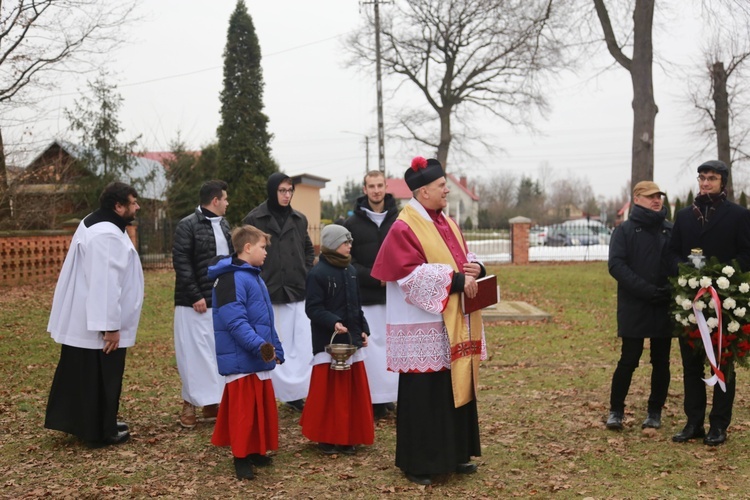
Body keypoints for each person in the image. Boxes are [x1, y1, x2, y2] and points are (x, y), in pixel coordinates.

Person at [371, 157, 486, 486]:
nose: (446, 189)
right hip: (422, 323)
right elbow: (409, 275)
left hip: (452, 322)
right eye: (441, 186)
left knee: (454, 388)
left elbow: (463, 256)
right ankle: (419, 462)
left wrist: (474, 268)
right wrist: (455, 281)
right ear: (423, 192)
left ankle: (456, 454)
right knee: (426, 395)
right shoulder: (404, 226)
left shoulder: (446, 221)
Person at [45, 181, 143, 447]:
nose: (137, 207)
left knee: (85, 375)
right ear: (118, 206)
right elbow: (105, 283)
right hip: (96, 324)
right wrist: (109, 325)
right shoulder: (106, 236)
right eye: (133, 202)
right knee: (101, 377)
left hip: (85, 318)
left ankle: (97, 422)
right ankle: (100, 431)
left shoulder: (96, 222)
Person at [668, 160, 750, 446]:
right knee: (691, 365)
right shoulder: (684, 215)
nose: (705, 183)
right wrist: (686, 273)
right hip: (691, 303)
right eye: (702, 178)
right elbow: (672, 253)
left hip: (724, 303)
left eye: (712, 178)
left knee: (722, 363)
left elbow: (746, 254)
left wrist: (720, 273)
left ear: (722, 182)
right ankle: (694, 423)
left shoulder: (739, 215)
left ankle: (719, 425)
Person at [208, 225, 285, 481]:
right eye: (263, 247)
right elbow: (235, 322)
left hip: (257, 356)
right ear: (248, 247)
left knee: (258, 407)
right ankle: (240, 457)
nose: (266, 253)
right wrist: (260, 346)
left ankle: (254, 450)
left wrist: (276, 347)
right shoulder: (230, 279)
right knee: (243, 411)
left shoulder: (254, 276)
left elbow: (265, 319)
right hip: (242, 357)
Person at [243, 173, 315, 412]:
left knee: (301, 344)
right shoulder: (255, 218)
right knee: (273, 343)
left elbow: (306, 247)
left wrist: (304, 269)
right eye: (282, 191)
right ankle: (271, 393)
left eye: (289, 191)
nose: (286, 195)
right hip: (269, 291)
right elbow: (245, 252)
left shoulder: (299, 219)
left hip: (297, 290)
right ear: (273, 191)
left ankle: (296, 394)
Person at [300, 225, 374, 455]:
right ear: (332, 244)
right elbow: (312, 308)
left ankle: (348, 435)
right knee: (329, 394)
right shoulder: (318, 273)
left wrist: (363, 329)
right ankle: (326, 436)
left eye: (350, 242)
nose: (350, 246)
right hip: (328, 342)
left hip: (350, 341)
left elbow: (356, 306)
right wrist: (333, 322)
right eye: (345, 242)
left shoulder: (351, 271)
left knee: (349, 393)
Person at [605, 181, 673, 431]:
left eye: (659, 196)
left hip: (663, 303)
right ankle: (616, 411)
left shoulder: (670, 230)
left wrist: (669, 289)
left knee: (661, 361)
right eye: (650, 196)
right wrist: (647, 291)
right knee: (629, 359)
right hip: (635, 304)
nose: (656, 200)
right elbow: (617, 266)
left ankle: (654, 411)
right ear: (637, 198)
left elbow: (677, 263)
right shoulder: (623, 231)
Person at [173, 180, 233, 428]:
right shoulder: (187, 226)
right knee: (193, 355)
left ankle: (212, 403)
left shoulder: (226, 225)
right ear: (215, 200)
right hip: (193, 303)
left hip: (220, 300)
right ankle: (189, 403)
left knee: (216, 353)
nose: (228, 203)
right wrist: (195, 294)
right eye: (225, 199)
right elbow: (182, 262)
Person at [343, 170, 400, 419]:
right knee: (371, 350)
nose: (376, 190)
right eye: (371, 186)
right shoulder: (352, 224)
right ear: (364, 189)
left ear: (386, 187)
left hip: (396, 297)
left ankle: (393, 397)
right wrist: (375, 277)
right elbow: (348, 260)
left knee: (394, 348)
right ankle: (374, 399)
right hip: (367, 297)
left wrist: (394, 275)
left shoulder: (400, 220)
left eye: (380, 185)